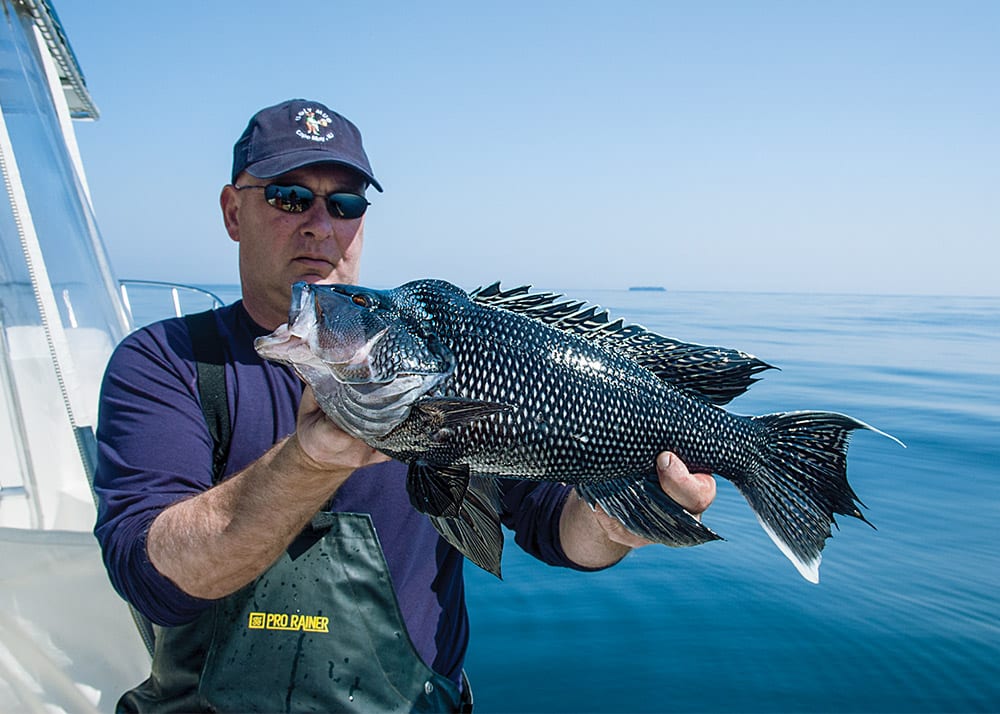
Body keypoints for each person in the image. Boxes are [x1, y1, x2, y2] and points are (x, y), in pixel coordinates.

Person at [94, 98, 717, 713]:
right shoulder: (165, 360)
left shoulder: (438, 351)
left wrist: (614, 521)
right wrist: (310, 459)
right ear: (234, 211)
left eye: (346, 205)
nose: (320, 224)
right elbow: (152, 580)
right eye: (289, 197)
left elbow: (556, 527)